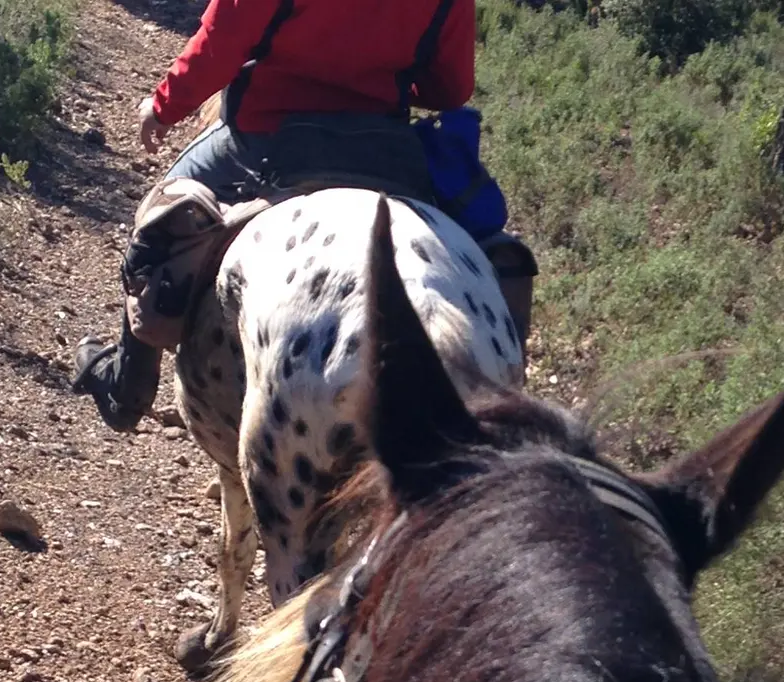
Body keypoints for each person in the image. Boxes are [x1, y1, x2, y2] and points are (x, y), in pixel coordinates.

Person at [72, 0, 534, 431]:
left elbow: (221, 41)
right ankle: (506, 399)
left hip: (268, 134)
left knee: (157, 221)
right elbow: (452, 87)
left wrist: (163, 105)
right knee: (486, 246)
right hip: (385, 150)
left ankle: (125, 388)